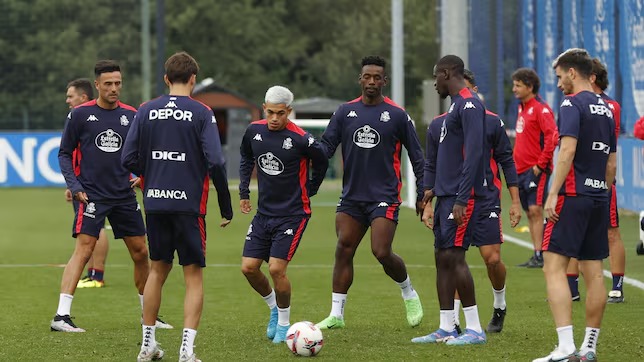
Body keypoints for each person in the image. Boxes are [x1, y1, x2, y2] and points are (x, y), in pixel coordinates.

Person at [122, 51, 233, 362]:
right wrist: (225, 206)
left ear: (166, 79)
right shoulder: (202, 112)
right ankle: (187, 351)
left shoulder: (145, 110)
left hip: (155, 203)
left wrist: (151, 174)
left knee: (157, 270)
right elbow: (216, 161)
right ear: (193, 79)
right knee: (193, 275)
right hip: (188, 206)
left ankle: (147, 345)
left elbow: (127, 158)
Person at [53, 60, 172, 332]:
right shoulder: (80, 115)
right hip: (91, 195)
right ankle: (61, 316)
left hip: (124, 195)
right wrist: (74, 184)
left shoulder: (132, 115)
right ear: (97, 85)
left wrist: (142, 176)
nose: (114, 88)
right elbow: (63, 153)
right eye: (108, 83)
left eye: (118, 83)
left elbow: (143, 152)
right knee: (84, 250)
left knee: (141, 252)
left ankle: (148, 315)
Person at [316, 55, 425, 330]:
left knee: (381, 251)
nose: (372, 81)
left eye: (377, 77)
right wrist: (306, 161)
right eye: (367, 76)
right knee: (344, 248)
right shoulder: (345, 112)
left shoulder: (397, 115)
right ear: (360, 79)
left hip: (384, 195)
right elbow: (325, 148)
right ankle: (336, 314)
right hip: (352, 196)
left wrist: (424, 191)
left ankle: (408, 292)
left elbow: (418, 156)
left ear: (384, 81)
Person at [533, 48, 616, 362]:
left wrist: (553, 194)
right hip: (598, 197)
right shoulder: (607, 109)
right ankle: (589, 347)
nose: (558, 84)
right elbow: (611, 164)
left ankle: (566, 345)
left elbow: (566, 152)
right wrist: (601, 193)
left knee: (553, 267)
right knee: (594, 273)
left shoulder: (571, 104)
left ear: (572, 73)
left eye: (559, 77)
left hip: (572, 196)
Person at [239, 86, 328, 343]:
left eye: (280, 113)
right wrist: (244, 192)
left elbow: (321, 160)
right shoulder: (254, 131)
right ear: (263, 108)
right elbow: (246, 158)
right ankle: (274, 310)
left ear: (289, 111)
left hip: (293, 214)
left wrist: (312, 187)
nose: (274, 118)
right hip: (264, 213)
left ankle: (285, 325)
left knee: (277, 269)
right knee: (248, 268)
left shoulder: (301, 139)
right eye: (270, 112)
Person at [412, 55, 487, 345]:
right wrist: (430, 193)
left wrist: (462, 198)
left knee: (455, 259)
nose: (434, 83)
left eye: (436, 76)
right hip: (444, 196)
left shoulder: (469, 104)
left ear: (446, 73)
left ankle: (476, 329)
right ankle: (446, 327)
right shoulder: (454, 108)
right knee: (442, 259)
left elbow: (474, 154)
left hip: (459, 197)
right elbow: (446, 157)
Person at [447, 70, 521, 334]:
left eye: (466, 91)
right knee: (455, 258)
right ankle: (453, 320)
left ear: (475, 90)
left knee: (491, 259)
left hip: (487, 199)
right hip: (457, 200)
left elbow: (506, 160)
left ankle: (499, 304)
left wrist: (514, 202)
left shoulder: (492, 122)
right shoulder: (447, 122)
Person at [566, 58, 627, 304]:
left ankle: (617, 286)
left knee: (611, 232)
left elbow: (607, 148)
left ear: (592, 77)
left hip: (600, 179)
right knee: (572, 231)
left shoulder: (609, 106)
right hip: (577, 180)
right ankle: (572, 287)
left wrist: (605, 181)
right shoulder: (573, 103)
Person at [64, 78, 111, 289]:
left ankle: (96, 275)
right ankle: (92, 274)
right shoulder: (80, 117)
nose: (67, 100)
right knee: (93, 228)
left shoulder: (86, 117)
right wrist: (72, 184)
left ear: (83, 97)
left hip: (91, 185)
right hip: (81, 183)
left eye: (70, 96)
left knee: (96, 227)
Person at [511, 68, 558, 268]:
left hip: (535, 170)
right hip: (520, 169)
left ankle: (541, 254)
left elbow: (552, 136)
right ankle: (537, 252)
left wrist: (541, 164)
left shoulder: (541, 108)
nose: (514, 89)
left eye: (518, 85)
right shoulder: (522, 107)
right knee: (530, 212)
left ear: (530, 87)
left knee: (535, 209)